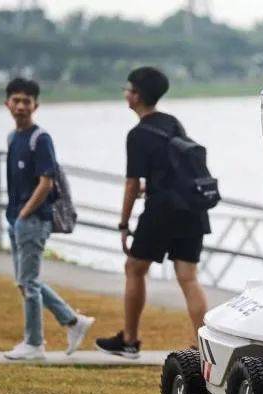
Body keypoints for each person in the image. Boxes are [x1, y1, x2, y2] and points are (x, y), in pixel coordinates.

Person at [95, 67, 210, 359]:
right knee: (188, 277)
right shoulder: (172, 122)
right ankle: (204, 348)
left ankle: (129, 340)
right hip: (191, 208)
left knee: (134, 268)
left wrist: (124, 224)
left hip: (162, 211)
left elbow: (132, 184)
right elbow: (175, 168)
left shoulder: (137, 135)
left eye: (128, 89)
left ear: (136, 96)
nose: (126, 93)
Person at [2, 78, 94, 360]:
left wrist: (24, 214)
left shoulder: (40, 139)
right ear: (7, 103)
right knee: (25, 281)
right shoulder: (13, 138)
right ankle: (73, 321)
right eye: (16, 100)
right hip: (16, 219)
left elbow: (47, 182)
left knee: (28, 283)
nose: (21, 106)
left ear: (36, 105)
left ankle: (34, 344)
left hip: (33, 220)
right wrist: (15, 217)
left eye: (26, 101)